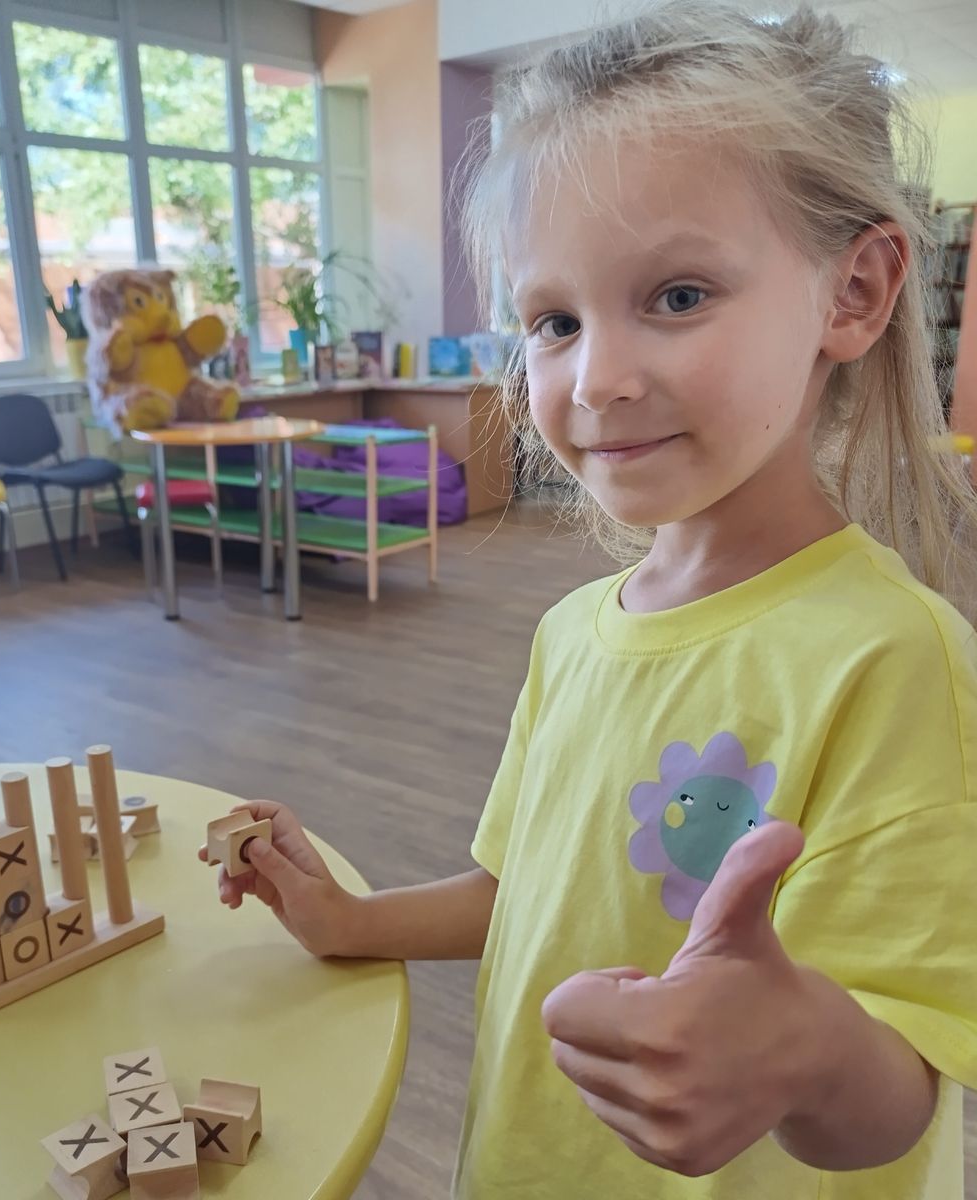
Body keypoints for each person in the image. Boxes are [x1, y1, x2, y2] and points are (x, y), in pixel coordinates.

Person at [200, 4, 977, 1195]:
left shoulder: (894, 660)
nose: (596, 378)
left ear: (854, 292)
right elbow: (526, 893)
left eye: (678, 295)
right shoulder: (574, 632)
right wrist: (349, 920)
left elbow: (899, 1098)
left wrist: (807, 1051)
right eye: (554, 321)